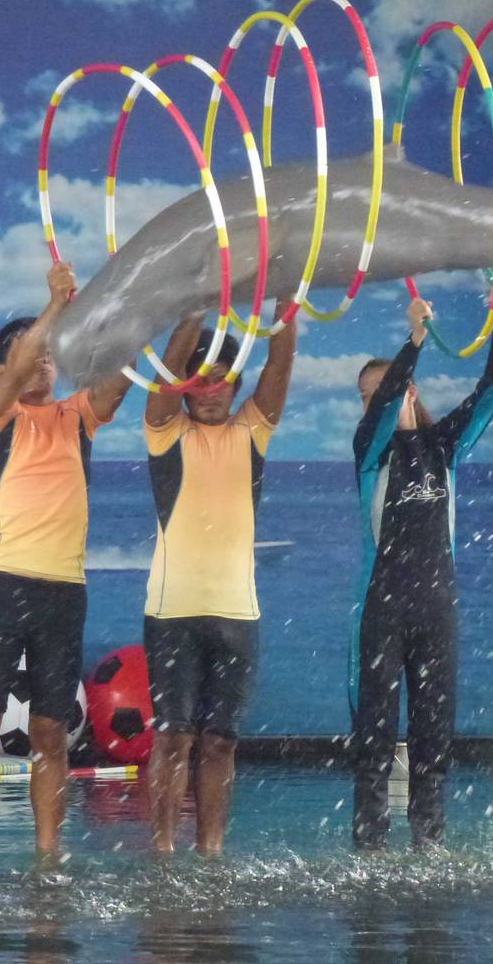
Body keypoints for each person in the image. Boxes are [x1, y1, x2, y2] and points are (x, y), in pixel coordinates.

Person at [0, 259, 132, 858]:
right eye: (32, 355)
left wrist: (133, 311)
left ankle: (50, 856)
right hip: (4, 585)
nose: (43, 363)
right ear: (4, 369)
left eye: (51, 355)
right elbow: (23, 361)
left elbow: (120, 380)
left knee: (53, 732)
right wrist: (53, 308)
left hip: (64, 591)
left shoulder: (77, 417)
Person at [350, 289, 493, 851]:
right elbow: (382, 409)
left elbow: (491, 394)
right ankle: (370, 846)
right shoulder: (369, 453)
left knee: (432, 732)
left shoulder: (444, 447)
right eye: (367, 398)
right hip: (384, 606)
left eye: (386, 392)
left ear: (410, 390)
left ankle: (430, 841)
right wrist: (414, 339)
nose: (377, 405)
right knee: (374, 731)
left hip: (437, 607)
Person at [142, 309, 298, 855]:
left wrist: (286, 307)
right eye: (199, 378)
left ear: (235, 384)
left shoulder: (252, 430)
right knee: (174, 737)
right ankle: (162, 851)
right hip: (172, 614)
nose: (210, 390)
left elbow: (280, 360)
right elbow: (164, 377)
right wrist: (195, 304)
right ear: (185, 386)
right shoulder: (165, 430)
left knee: (220, 743)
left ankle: (210, 853)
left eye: (221, 378)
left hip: (238, 613)